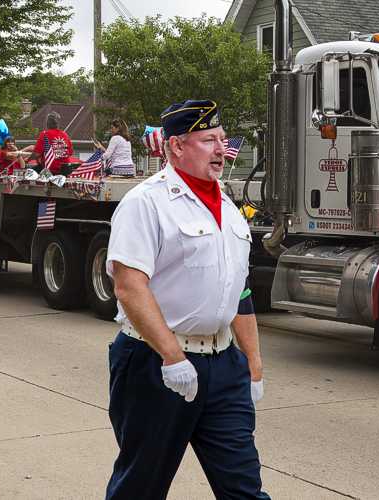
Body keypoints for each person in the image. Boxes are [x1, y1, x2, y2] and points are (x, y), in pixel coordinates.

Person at [104, 99, 268, 499]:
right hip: (156, 364)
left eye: (222, 139)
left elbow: (239, 290)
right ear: (176, 146)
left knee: (244, 490)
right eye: (209, 140)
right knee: (140, 486)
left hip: (225, 367)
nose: (221, 149)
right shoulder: (146, 203)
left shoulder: (229, 209)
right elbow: (129, 285)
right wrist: (173, 358)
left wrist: (253, 365)